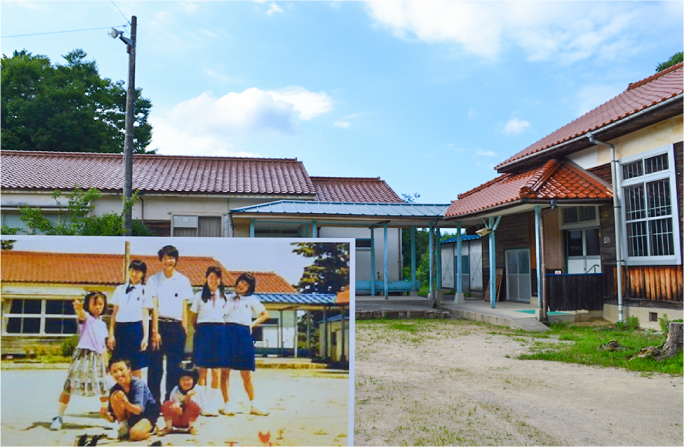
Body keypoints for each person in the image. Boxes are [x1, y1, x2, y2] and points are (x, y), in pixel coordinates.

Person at [50, 291, 110, 430]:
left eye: (100, 304)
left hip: (98, 357)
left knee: (103, 388)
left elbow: (103, 346)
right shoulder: (86, 318)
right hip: (83, 355)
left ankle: (106, 415)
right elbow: (82, 315)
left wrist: (106, 362)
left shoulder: (102, 324)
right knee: (69, 386)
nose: (97, 307)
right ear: (88, 305)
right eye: (94, 304)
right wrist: (78, 309)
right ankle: (58, 416)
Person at [147, 245, 194, 405]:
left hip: (176, 327)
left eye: (171, 257)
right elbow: (153, 305)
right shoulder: (153, 280)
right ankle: (153, 402)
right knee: (155, 367)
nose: (169, 261)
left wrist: (184, 328)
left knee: (174, 367)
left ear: (176, 260)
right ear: (161, 260)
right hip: (158, 324)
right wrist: (154, 330)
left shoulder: (183, 280)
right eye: (165, 257)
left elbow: (184, 306)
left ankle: (170, 401)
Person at [220, 273, 269, 416]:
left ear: (249, 287)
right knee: (224, 372)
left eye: (245, 284)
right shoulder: (226, 298)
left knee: (246, 373)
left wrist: (251, 325)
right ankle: (227, 404)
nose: (241, 285)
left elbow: (265, 314)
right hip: (227, 332)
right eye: (241, 281)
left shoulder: (252, 299)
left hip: (243, 334)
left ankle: (254, 404)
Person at [189, 266, 228, 416]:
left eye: (217, 278)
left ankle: (212, 404)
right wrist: (200, 329)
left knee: (216, 370)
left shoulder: (225, 297)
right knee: (202, 370)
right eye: (211, 277)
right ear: (206, 279)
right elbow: (193, 317)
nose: (214, 280)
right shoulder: (199, 296)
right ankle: (202, 404)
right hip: (203, 331)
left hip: (219, 332)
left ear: (220, 280)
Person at [108, 260, 153, 377]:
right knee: (119, 365)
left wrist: (145, 337)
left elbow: (145, 315)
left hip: (136, 329)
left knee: (136, 367)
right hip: (120, 329)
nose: (134, 274)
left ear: (143, 274)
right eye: (132, 270)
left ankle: (136, 393)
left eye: (138, 271)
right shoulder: (120, 289)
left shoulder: (145, 290)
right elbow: (114, 313)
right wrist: (111, 334)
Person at [103, 358, 159, 441]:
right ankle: (124, 427)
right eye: (114, 372)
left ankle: (152, 429)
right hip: (130, 416)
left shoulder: (138, 384)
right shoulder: (115, 389)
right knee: (116, 395)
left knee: (135, 435)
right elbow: (113, 418)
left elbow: (138, 410)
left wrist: (126, 403)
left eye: (121, 370)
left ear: (128, 370)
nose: (119, 374)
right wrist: (105, 414)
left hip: (145, 415)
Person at [159, 367, 201, 436]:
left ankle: (192, 427)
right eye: (183, 379)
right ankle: (168, 427)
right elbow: (173, 403)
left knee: (193, 405)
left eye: (188, 379)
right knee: (166, 404)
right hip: (176, 417)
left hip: (188, 418)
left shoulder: (196, 390)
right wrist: (176, 407)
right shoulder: (175, 390)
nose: (186, 382)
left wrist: (188, 397)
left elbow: (196, 407)